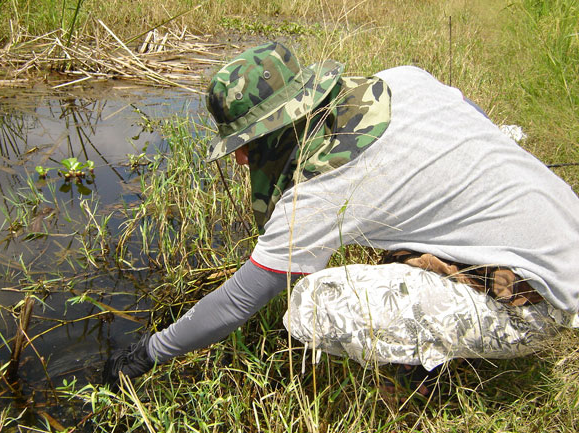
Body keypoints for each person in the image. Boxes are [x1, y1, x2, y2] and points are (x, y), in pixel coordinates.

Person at [103, 41, 579, 394]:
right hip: (567, 234)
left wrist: (150, 352)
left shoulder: (320, 190)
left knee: (313, 304)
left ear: (280, 127)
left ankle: (415, 371)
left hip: (540, 304)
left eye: (247, 143)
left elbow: (237, 302)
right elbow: (474, 115)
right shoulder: (403, 77)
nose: (241, 160)